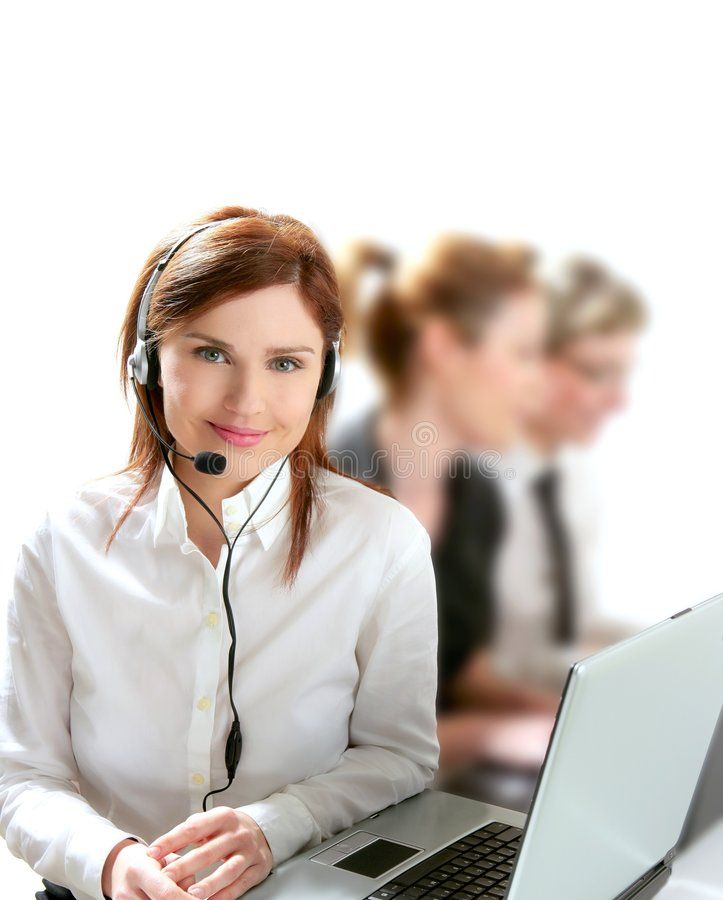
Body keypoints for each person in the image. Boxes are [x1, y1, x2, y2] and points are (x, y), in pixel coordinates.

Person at [0, 206, 440, 900]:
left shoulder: (381, 541)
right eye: (210, 353)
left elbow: (398, 756)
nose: (246, 401)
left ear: (324, 378)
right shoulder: (65, 541)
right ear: (147, 360)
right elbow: (22, 779)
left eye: (286, 363)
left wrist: (277, 824)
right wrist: (111, 863)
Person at [327, 233, 558, 778]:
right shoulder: (330, 499)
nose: (539, 385)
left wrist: (560, 715)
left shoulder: (475, 495)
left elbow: (457, 667)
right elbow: (325, 749)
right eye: (522, 354)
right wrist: (489, 734)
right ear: (443, 348)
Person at [492, 255, 649, 696]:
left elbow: (566, 633)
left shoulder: (573, 474)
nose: (619, 401)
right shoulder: (459, 483)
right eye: (597, 373)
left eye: (624, 374)